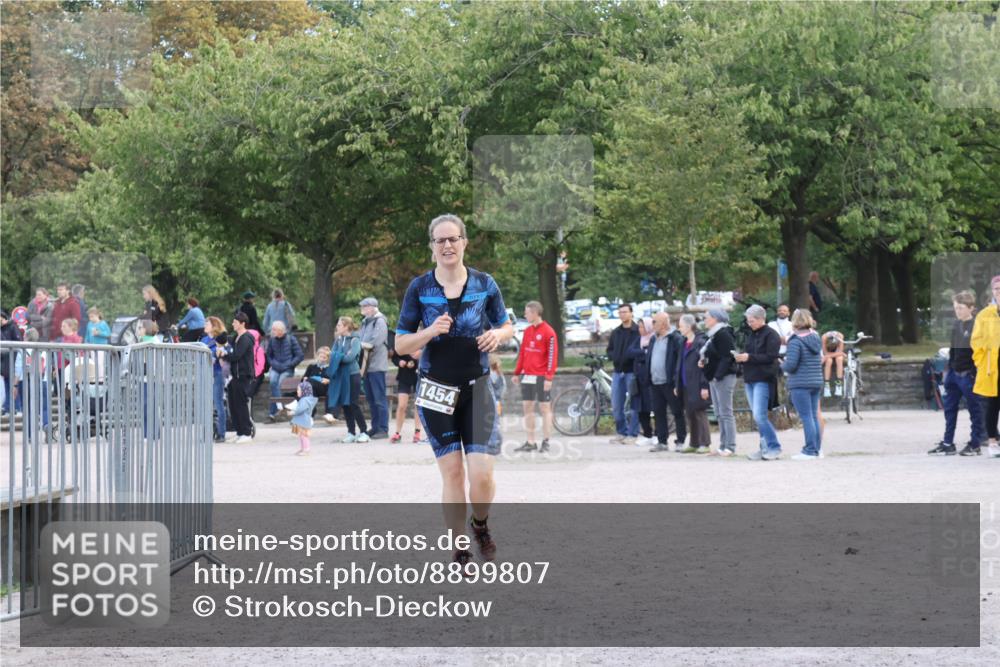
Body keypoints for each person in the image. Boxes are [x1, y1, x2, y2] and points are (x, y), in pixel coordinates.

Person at [394, 213, 512, 570]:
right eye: (440, 240)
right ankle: (459, 543)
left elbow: (507, 324)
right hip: (435, 390)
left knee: (482, 474)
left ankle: (481, 525)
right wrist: (428, 332)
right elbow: (400, 344)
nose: (447, 245)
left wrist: (499, 336)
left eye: (453, 239)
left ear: (464, 243)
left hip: (476, 387)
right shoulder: (419, 288)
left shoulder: (484, 283)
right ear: (432, 247)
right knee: (453, 474)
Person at [929, 292, 984, 456]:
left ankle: (975, 444)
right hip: (953, 373)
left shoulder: (976, 326)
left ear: (971, 308)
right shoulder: (956, 325)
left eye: (961, 308)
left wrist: (974, 373)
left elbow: (979, 351)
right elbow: (953, 349)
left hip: (969, 374)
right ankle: (948, 442)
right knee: (949, 408)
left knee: (975, 410)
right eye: (955, 308)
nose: (957, 311)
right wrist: (949, 370)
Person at [735, 304, 783, 460]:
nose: (750, 324)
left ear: (761, 319)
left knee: (759, 416)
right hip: (750, 378)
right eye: (748, 321)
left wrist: (749, 357)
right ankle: (764, 448)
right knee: (758, 416)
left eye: (752, 321)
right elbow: (751, 354)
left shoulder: (771, 335)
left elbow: (771, 357)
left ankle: (774, 446)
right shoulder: (751, 334)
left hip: (763, 379)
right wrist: (742, 358)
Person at [512, 301, 559, 453]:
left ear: (534, 313)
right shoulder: (527, 331)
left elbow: (552, 356)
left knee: (545, 408)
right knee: (528, 408)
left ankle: (546, 441)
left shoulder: (549, 332)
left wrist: (549, 378)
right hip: (528, 375)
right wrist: (517, 372)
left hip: (541, 376)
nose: (525, 315)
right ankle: (530, 441)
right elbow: (523, 353)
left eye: (526, 313)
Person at [781, 309, 824, 460]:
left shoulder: (795, 340)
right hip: (816, 381)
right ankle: (817, 449)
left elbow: (791, 365)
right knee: (813, 416)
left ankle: (809, 450)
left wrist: (781, 364)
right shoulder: (815, 337)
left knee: (806, 417)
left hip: (800, 382)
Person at [700, 309, 738, 456]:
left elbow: (727, 357)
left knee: (726, 412)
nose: (704, 320)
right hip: (714, 376)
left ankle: (730, 446)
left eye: (707, 318)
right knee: (719, 413)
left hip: (723, 376)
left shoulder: (723, 333)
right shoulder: (714, 334)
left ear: (715, 318)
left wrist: (718, 375)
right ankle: (723, 445)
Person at [646, 312, 685, 452]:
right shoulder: (653, 339)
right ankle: (662, 441)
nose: (652, 324)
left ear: (663, 323)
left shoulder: (675, 338)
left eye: (654, 321)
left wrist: (676, 380)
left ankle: (680, 440)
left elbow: (679, 360)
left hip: (669, 382)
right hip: (655, 382)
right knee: (658, 412)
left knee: (677, 411)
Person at [325, 316, 367, 443]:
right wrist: (336, 355)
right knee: (345, 404)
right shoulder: (338, 340)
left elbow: (350, 358)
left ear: (346, 327)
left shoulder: (355, 340)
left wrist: (335, 355)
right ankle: (351, 432)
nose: (337, 327)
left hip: (352, 375)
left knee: (353, 404)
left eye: (339, 325)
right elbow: (333, 356)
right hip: (341, 376)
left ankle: (364, 432)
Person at [971, 276, 1000, 458]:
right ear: (992, 291)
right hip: (993, 365)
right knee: (993, 404)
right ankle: (992, 441)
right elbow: (976, 341)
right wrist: (982, 362)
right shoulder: (985, 315)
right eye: (997, 288)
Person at [674, 314, 711, 454]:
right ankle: (694, 442)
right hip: (685, 383)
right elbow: (679, 364)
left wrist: (704, 385)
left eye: (681, 326)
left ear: (689, 326)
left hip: (697, 382)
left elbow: (705, 366)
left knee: (700, 412)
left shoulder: (701, 342)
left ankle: (705, 442)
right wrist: (676, 384)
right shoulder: (683, 342)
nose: (679, 328)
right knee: (689, 413)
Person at [218, 312, 255, 444]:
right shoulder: (235, 337)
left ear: (242, 323)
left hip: (243, 375)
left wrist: (223, 355)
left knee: (241, 405)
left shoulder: (246, 338)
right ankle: (239, 432)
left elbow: (237, 355)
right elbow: (229, 348)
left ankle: (246, 432)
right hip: (234, 376)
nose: (233, 324)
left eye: (235, 322)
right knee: (233, 405)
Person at [607, 303, 641, 445]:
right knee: (616, 404)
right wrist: (614, 356)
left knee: (634, 404)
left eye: (625, 312)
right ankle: (621, 431)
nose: (622, 315)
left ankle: (633, 433)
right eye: (620, 312)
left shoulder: (637, 331)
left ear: (631, 313)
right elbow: (609, 350)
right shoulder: (616, 332)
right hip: (617, 372)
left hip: (631, 372)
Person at [358, 297, 390, 439]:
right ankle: (375, 427)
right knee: (371, 399)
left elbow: (377, 340)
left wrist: (362, 345)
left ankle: (383, 429)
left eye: (364, 307)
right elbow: (361, 339)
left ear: (371, 307)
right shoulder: (365, 321)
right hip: (367, 365)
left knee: (379, 398)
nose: (362, 309)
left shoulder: (380, 320)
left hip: (377, 365)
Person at [264, 321, 304, 422]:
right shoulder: (272, 340)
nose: (272, 331)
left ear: (280, 330)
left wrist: (289, 364)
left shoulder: (291, 339)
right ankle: (279, 408)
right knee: (273, 381)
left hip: (287, 368)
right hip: (276, 368)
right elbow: (269, 356)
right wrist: (274, 364)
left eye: (274, 329)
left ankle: (274, 412)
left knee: (281, 382)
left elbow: (300, 355)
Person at [628, 316, 656, 447]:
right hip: (639, 379)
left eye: (642, 326)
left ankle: (658, 434)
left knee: (654, 408)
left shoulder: (654, 339)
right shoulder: (638, 340)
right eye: (639, 327)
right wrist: (643, 352)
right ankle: (647, 434)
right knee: (641, 409)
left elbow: (650, 354)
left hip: (650, 380)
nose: (639, 329)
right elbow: (630, 352)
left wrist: (644, 353)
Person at [200, 316, 228, 443]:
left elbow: (225, 354)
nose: (205, 325)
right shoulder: (203, 340)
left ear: (214, 326)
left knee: (218, 404)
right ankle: (207, 432)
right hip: (205, 374)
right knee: (205, 405)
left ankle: (221, 433)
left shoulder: (221, 339)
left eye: (207, 323)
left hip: (216, 374)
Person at [389, 342, 423, 443]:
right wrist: (399, 362)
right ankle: (397, 433)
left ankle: (417, 432)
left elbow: (432, 353)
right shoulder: (403, 338)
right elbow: (395, 357)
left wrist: (421, 353)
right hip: (404, 376)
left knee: (418, 404)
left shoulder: (424, 338)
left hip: (419, 375)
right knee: (402, 405)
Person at [287, 380, 318, 456]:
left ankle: (306, 449)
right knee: (302, 435)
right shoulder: (306, 400)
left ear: (304, 391)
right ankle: (303, 448)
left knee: (304, 436)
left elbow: (300, 409)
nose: (297, 391)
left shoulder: (304, 400)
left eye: (298, 390)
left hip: (303, 421)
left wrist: (292, 412)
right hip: (303, 421)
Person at [1, 309, 23, 416]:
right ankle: (8, 407)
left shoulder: (12, 327)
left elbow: (18, 343)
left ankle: (16, 407)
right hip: (4, 362)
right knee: (7, 385)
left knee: (13, 384)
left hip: (12, 360)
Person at [304, 346, 333, 421]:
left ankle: (328, 414)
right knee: (309, 386)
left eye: (324, 357)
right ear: (317, 356)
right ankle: (310, 414)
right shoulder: (311, 366)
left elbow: (334, 380)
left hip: (325, 389)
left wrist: (328, 380)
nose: (322, 359)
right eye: (320, 357)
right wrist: (305, 379)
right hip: (313, 390)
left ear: (328, 358)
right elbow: (304, 378)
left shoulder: (330, 367)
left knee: (310, 381)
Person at [821, 330, 845, 397]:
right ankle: (827, 386)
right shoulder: (824, 337)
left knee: (839, 359)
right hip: (827, 352)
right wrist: (837, 354)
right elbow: (825, 353)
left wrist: (837, 353)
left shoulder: (840, 336)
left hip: (836, 352)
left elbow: (840, 351)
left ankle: (839, 385)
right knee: (829, 361)